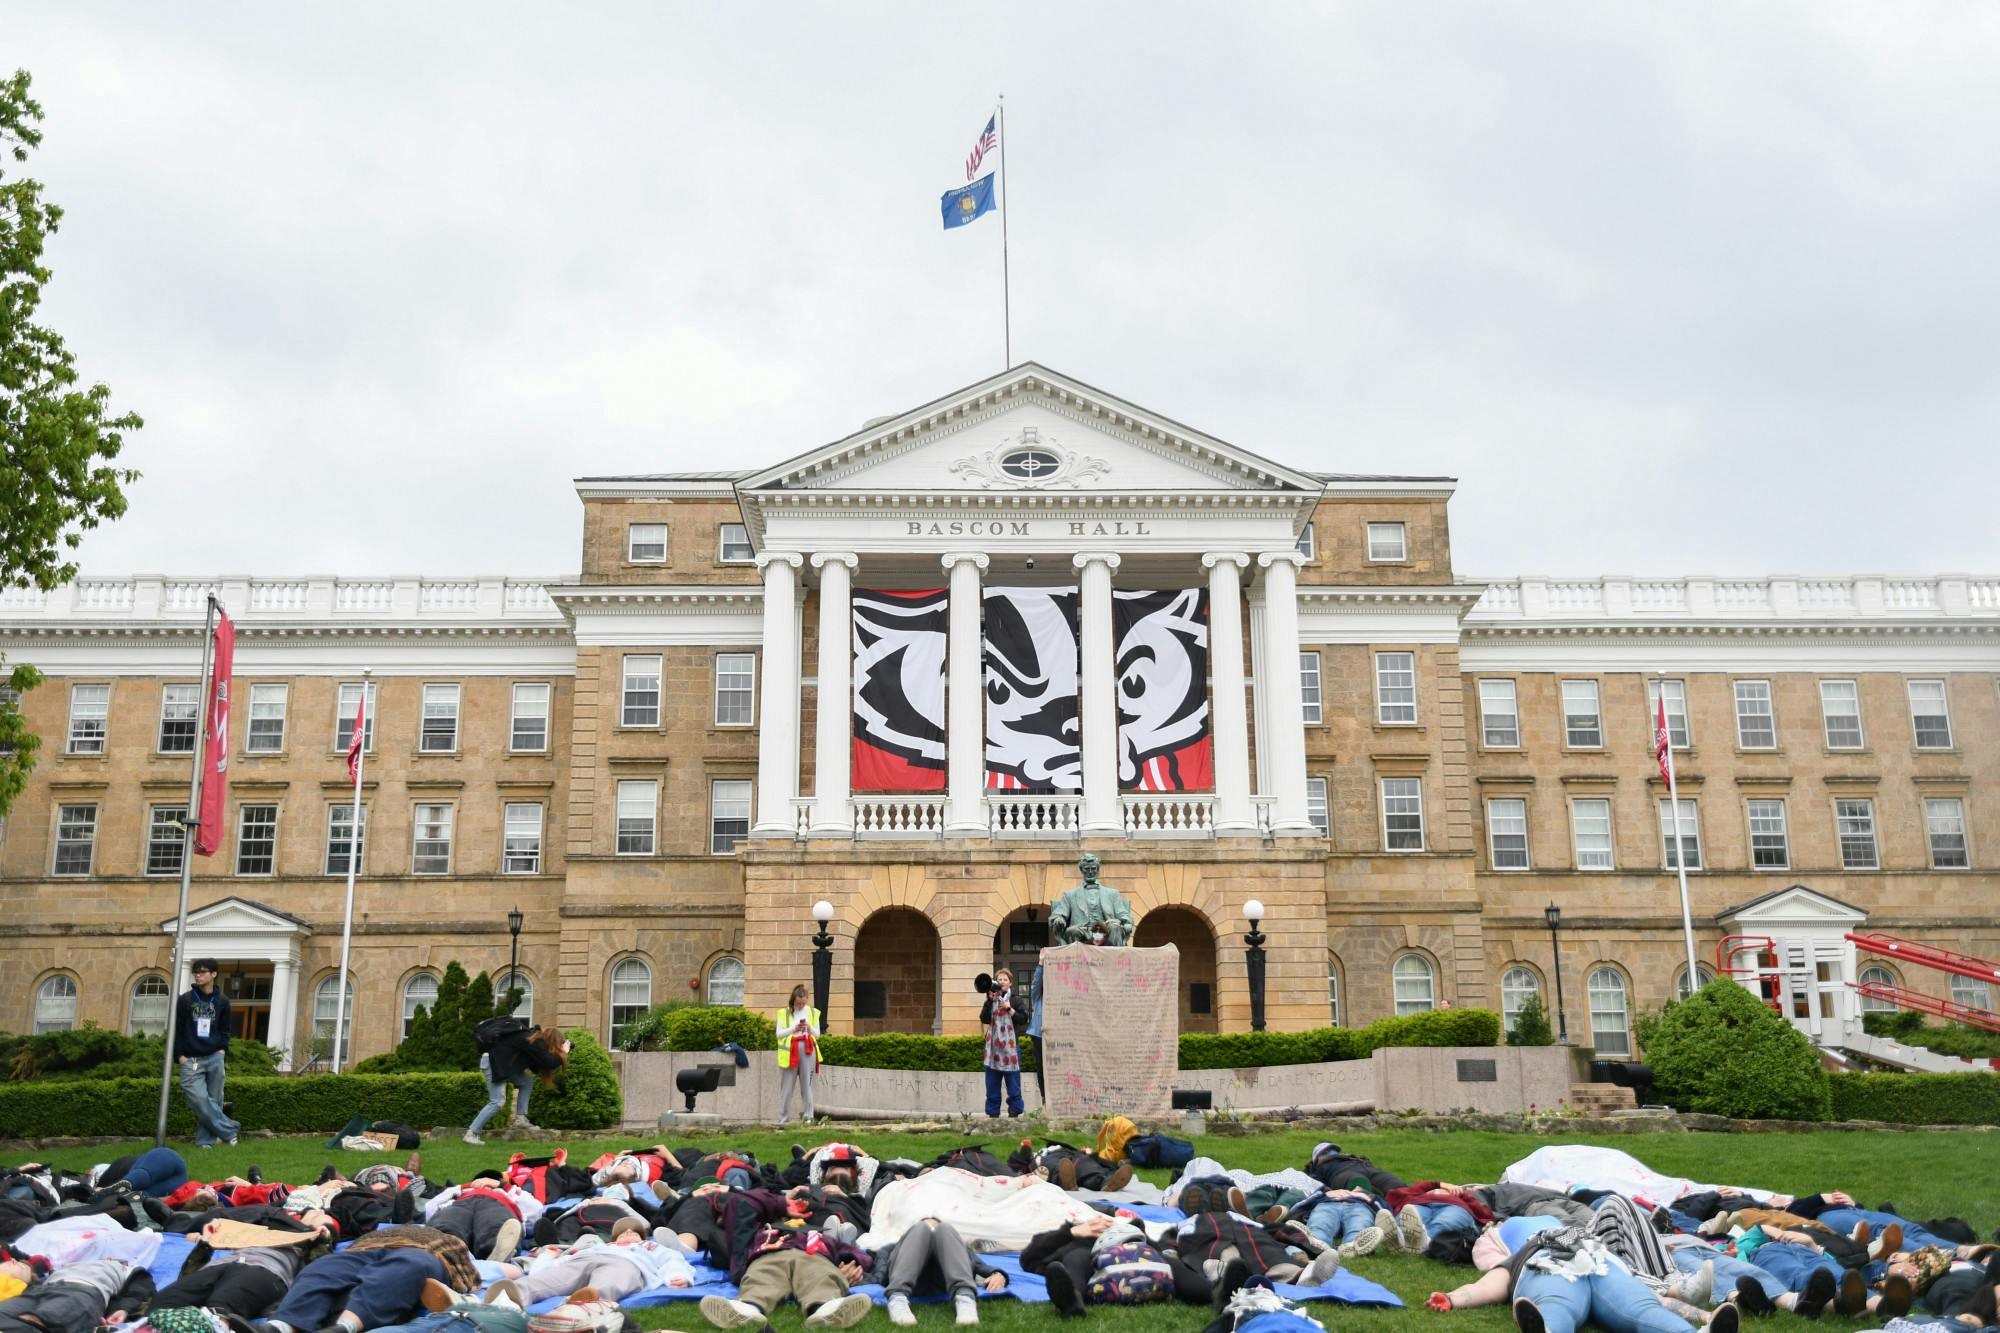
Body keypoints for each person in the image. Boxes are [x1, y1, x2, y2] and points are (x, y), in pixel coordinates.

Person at [872, 1218, 1006, 1327]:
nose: (932, 1233)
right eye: (930, 1230)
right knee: (920, 1228)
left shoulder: (950, 1240)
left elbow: (975, 1263)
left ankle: (965, 1299)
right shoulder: (892, 1248)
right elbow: (880, 1273)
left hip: (944, 1280)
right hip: (913, 1280)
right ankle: (897, 1299)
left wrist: (996, 1273)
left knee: (946, 1228)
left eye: (934, 1229)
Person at [174, 958, 241, 1149]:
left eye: (203, 971)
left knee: (214, 1100)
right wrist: (180, 1056)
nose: (198, 974)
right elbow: (177, 1029)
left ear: (213, 974)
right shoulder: (185, 1000)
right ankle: (229, 1129)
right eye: (196, 972)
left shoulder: (222, 1001)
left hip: (214, 1056)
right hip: (191, 1058)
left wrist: (221, 1051)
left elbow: (225, 1030)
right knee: (200, 1099)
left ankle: (205, 1141)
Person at [466, 1028, 571, 1146]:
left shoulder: (535, 1040)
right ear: (552, 1041)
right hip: (493, 1064)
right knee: (497, 1102)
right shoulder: (535, 1041)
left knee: (526, 1081)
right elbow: (549, 1063)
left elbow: (539, 1064)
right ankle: (471, 1133)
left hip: (503, 1065)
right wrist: (564, 1052)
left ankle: (520, 1119)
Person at [980, 969, 1028, 1118]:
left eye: (1005, 980)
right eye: (999, 979)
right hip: (993, 1049)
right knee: (992, 1084)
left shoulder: (1016, 1000)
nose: (1001, 982)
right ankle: (993, 1113)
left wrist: (1010, 1009)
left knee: (1013, 1083)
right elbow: (984, 1018)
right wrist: (989, 1001)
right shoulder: (991, 999)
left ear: (1010, 983)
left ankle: (1015, 1111)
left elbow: (1023, 1019)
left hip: (1011, 1049)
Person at [775, 984, 821, 1127]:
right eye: (798, 1003)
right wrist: (793, 1028)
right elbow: (778, 1034)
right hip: (790, 1051)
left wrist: (809, 1027)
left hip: (808, 1051)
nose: (801, 1006)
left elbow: (818, 1034)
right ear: (793, 1000)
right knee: (786, 1088)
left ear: (807, 1000)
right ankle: (783, 1119)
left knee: (807, 1086)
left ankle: (808, 1118)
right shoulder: (784, 1012)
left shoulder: (813, 1012)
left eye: (803, 1003)